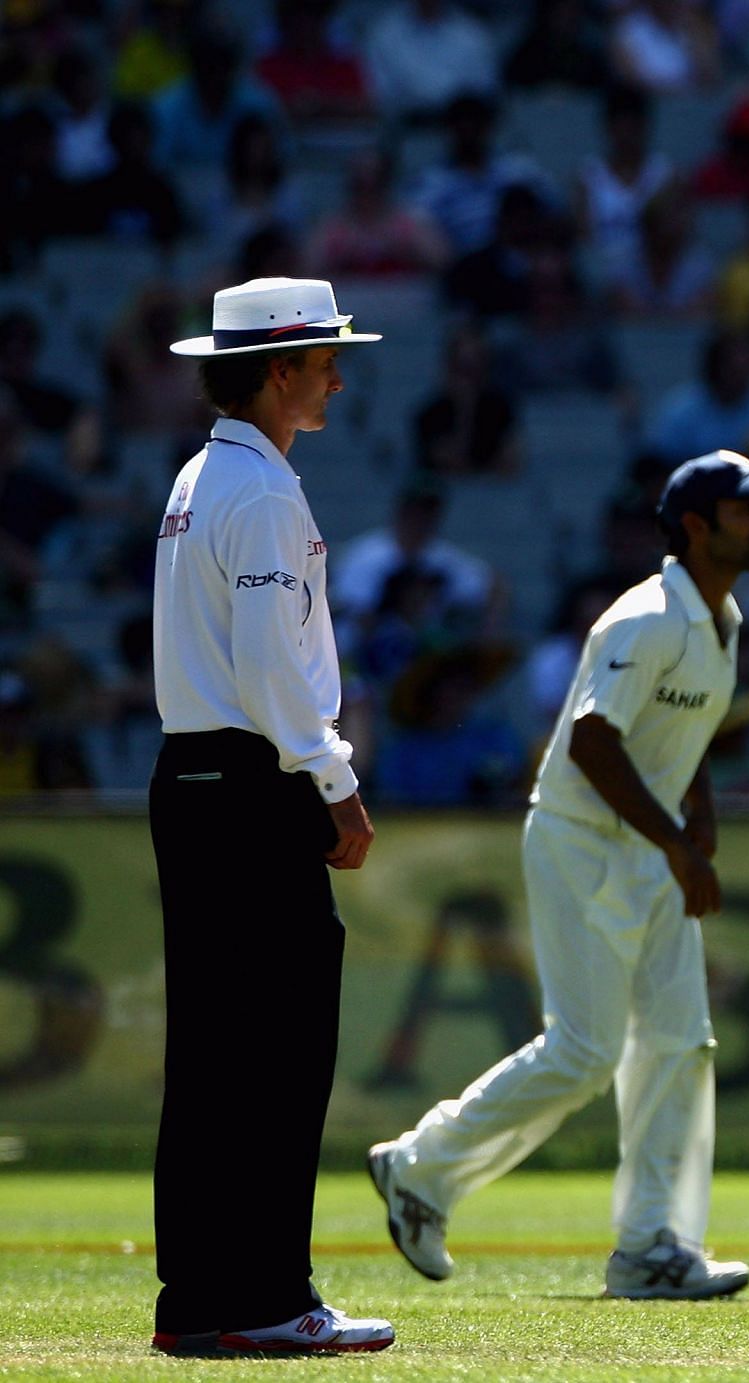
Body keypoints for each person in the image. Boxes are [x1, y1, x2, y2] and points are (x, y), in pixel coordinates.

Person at [367, 450, 749, 1300]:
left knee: (680, 1041)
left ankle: (651, 1246)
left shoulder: (725, 618)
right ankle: (420, 1164)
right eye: (745, 509)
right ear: (696, 527)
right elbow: (596, 741)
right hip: (583, 840)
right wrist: (677, 841)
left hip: (650, 843)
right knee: (586, 1049)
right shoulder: (646, 618)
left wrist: (694, 819)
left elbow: (684, 732)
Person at [149, 277, 391, 1352]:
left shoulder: (208, 477)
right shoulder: (256, 493)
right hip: (252, 788)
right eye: (325, 357)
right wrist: (333, 782)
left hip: (201, 781)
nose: (338, 375)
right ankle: (263, 1298)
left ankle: (203, 1301)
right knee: (278, 1050)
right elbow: (270, 671)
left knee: (215, 1055)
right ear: (279, 369)